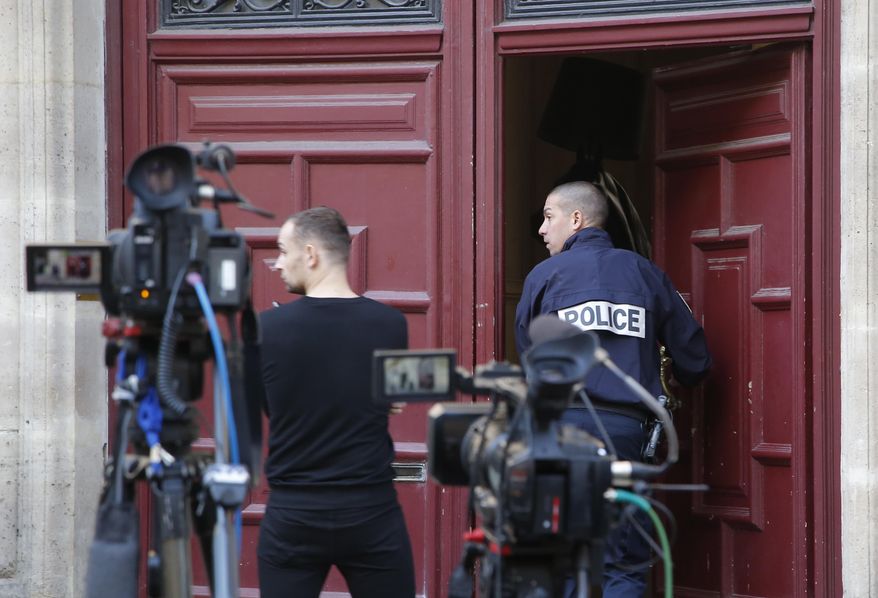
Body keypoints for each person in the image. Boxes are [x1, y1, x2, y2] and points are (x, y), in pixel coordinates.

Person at [514, 181, 711, 598]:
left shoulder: (543, 277)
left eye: (549, 217)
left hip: (561, 435)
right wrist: (675, 376)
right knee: (623, 562)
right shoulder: (644, 272)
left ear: (577, 219)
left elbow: (529, 358)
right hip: (625, 434)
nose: (542, 230)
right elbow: (695, 359)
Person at [257, 206, 415, 598]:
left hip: (294, 511)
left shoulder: (266, 329)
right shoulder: (390, 325)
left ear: (310, 254)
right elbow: (389, 403)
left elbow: (272, 408)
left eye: (283, 251)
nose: (278, 263)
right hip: (371, 510)